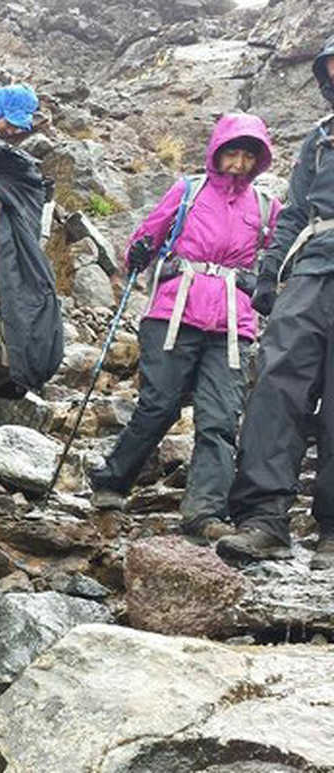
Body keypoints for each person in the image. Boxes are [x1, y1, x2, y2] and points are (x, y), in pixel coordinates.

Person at [88, 113, 280, 542]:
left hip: (233, 324)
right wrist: (138, 251)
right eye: (233, 152)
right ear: (218, 151)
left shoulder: (266, 206)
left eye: (249, 156)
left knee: (220, 419)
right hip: (173, 314)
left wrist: (264, 282)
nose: (240, 163)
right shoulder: (188, 191)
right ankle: (112, 481)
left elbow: (282, 251)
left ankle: (204, 512)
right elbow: (147, 237)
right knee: (159, 405)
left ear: (259, 161)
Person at [218, 37, 334, 568]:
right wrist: (268, 274)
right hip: (313, 266)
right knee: (276, 381)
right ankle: (264, 518)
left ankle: (332, 529)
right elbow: (292, 213)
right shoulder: (319, 139)